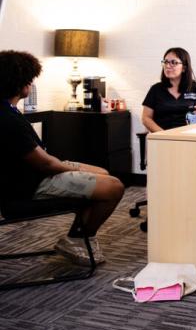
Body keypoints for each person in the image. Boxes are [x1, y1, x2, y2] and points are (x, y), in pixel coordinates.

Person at [0, 50, 124, 265]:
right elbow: (46, 163)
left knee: (102, 174)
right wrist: (74, 169)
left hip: (30, 175)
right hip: (30, 185)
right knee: (113, 186)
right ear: (21, 83)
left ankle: (78, 236)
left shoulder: (8, 111)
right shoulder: (10, 120)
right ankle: (78, 239)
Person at [142, 47, 196, 132]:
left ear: (184, 68)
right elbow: (146, 118)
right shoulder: (155, 89)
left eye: (173, 62)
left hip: (191, 138)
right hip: (163, 138)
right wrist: (163, 135)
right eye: (166, 62)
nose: (167, 66)